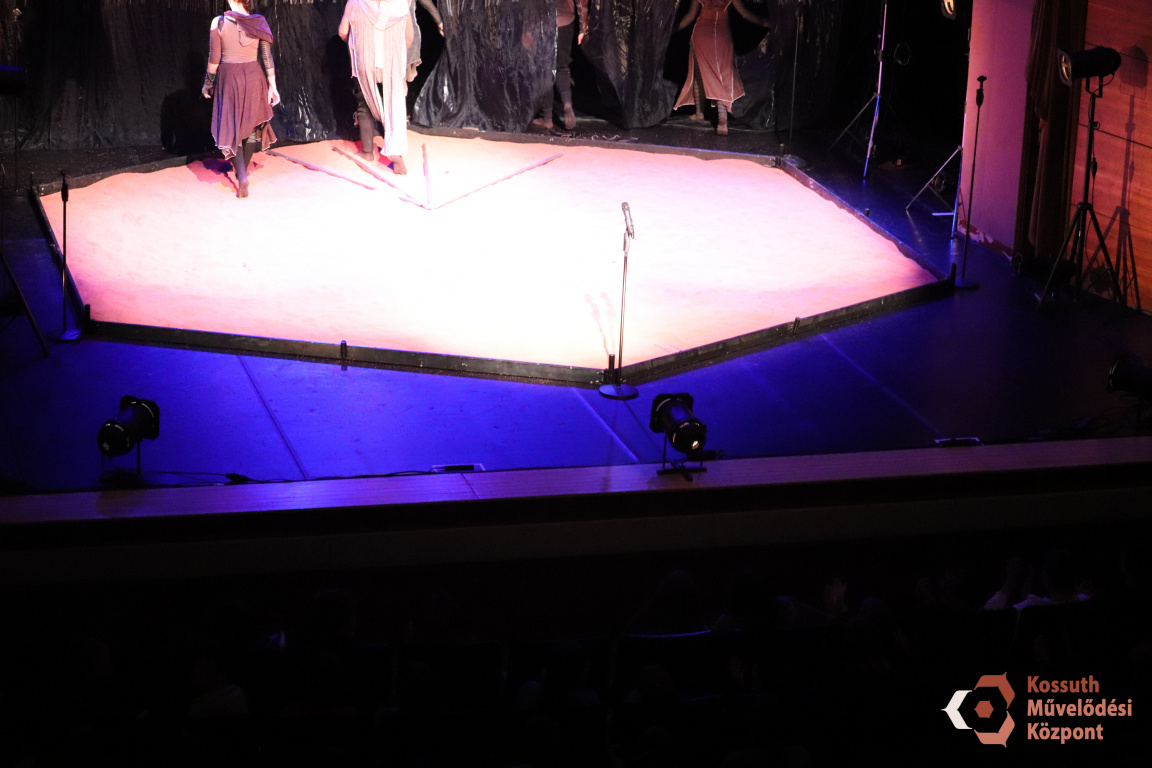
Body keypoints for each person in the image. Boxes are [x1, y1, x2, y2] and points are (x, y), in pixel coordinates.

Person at [201, 0, 280, 198]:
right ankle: (242, 172)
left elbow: (214, 60)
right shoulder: (259, 22)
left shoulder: (219, 22)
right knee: (252, 126)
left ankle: (242, 175)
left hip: (230, 78)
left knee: (232, 126)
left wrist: (208, 84)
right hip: (254, 77)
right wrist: (273, 86)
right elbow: (267, 58)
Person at [340, 0, 417, 175]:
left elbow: (342, 32)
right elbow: (409, 37)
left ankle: (368, 152)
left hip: (366, 63)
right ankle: (396, 154)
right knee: (394, 107)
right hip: (391, 65)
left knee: (364, 106)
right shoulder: (401, 5)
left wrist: (357, 39)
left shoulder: (356, 2)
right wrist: (395, 53)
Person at [673, 0, 770, 136]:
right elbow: (745, 14)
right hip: (721, 37)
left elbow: (690, 16)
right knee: (720, 77)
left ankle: (700, 113)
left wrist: (673, 29)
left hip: (701, 36)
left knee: (699, 75)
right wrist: (764, 22)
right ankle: (721, 119)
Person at [532, 0, 588, 132]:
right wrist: (583, 28)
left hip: (545, 23)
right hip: (565, 23)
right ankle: (567, 104)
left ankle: (547, 118)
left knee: (546, 70)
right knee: (562, 67)